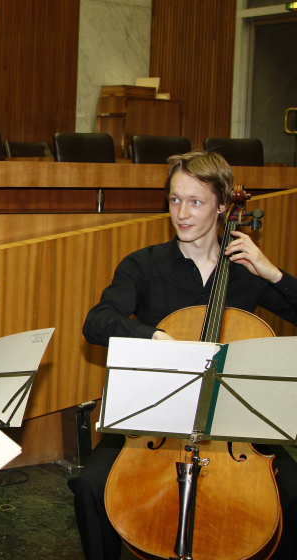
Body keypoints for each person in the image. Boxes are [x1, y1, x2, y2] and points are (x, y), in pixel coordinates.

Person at [71, 150, 297, 560]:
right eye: (175, 199)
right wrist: (153, 336)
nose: (182, 213)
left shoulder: (247, 271)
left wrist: (274, 274)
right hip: (156, 424)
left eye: (196, 201)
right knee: (90, 487)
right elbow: (97, 321)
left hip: (233, 429)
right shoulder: (144, 265)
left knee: (294, 494)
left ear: (224, 207)